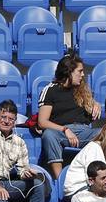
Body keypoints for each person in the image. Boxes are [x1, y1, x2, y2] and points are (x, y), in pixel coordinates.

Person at [37, 53, 102, 182]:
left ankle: (101, 178)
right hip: (60, 132)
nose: (83, 75)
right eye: (80, 71)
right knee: (48, 135)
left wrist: (96, 105)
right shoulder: (50, 90)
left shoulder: (82, 90)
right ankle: (61, 181)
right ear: (68, 72)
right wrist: (65, 129)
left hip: (84, 131)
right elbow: (42, 122)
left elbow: (91, 119)